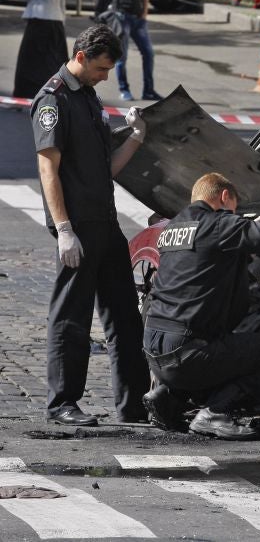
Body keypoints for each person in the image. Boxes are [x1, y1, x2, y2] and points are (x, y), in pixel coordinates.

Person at [141, 173, 260, 439]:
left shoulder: (173, 229)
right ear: (225, 196)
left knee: (228, 345)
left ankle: (170, 395)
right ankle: (217, 412)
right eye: (236, 207)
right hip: (188, 353)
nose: (236, 214)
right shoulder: (217, 224)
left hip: (155, 350)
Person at [31, 24, 150, 427]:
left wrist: (134, 138)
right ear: (80, 57)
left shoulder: (88, 98)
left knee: (124, 315)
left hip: (105, 221)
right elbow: (48, 168)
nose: (105, 76)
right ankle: (62, 403)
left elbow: (105, 168)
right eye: (100, 68)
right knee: (71, 317)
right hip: (78, 226)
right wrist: (63, 228)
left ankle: (133, 404)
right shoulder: (54, 100)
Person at [107, 0, 162, 102]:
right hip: (120, 17)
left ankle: (149, 90)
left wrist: (145, 11)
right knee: (121, 57)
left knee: (148, 53)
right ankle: (124, 89)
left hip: (138, 17)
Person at [14, 0, 67, 99]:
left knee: (29, 62)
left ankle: (24, 95)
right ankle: (56, 94)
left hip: (38, 22)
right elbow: (62, 2)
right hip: (56, 23)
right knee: (54, 62)